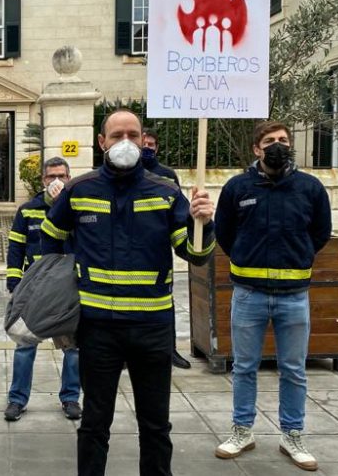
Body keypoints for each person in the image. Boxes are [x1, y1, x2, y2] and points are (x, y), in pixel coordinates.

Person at [41, 110, 215, 476]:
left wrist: (203, 222)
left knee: (155, 426)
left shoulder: (166, 192)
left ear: (143, 141)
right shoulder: (79, 189)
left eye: (133, 134)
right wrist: (67, 279)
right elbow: (50, 237)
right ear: (101, 142)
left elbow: (195, 255)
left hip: (152, 329)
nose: (125, 141)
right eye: (116, 134)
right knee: (94, 424)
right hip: (96, 328)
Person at [213, 122, 331, 472]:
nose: (277, 145)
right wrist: (244, 258)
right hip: (248, 294)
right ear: (256, 149)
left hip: (294, 296)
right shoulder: (238, 187)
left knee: (293, 369)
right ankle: (242, 431)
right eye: (269, 141)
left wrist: (301, 255)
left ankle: (292, 435)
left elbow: (320, 232)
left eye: (282, 140)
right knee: (244, 367)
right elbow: (224, 232)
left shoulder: (309, 188)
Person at [4, 156, 81, 422]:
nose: (56, 181)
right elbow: (15, 248)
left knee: (73, 349)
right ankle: (17, 400)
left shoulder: (77, 209)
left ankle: (71, 398)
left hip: (68, 290)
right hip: (36, 290)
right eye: (51, 177)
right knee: (25, 344)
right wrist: (15, 284)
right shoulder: (27, 211)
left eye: (62, 176)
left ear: (70, 179)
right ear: (43, 180)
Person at [141, 128, 192, 370]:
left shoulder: (168, 175)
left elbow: (178, 212)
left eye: (152, 144)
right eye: (144, 143)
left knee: (165, 302)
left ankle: (170, 350)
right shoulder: (126, 172)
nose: (147, 147)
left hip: (159, 249)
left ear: (157, 148)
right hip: (133, 248)